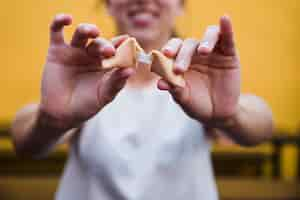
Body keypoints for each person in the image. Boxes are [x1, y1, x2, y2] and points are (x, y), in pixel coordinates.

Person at [11, 0, 273, 199]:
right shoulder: (87, 82)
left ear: (180, 5)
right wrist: (51, 120)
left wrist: (229, 116)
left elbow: (262, 125)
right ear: (109, 5)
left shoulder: (196, 81)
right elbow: (24, 139)